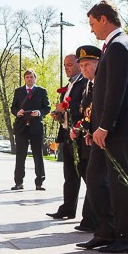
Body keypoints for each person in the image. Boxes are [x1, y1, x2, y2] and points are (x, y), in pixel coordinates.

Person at [78, 1, 128, 254]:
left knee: (121, 180)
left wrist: (104, 126)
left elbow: (115, 91)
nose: (92, 30)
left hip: (117, 127)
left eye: (93, 23)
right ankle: (106, 229)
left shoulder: (118, 46)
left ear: (104, 19)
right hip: (105, 128)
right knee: (95, 177)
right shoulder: (112, 47)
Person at [48, 54, 87, 219]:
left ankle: (92, 215)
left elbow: (84, 106)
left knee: (86, 174)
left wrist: (66, 108)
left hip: (79, 134)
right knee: (70, 175)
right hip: (66, 134)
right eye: (64, 65)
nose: (66, 68)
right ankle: (68, 208)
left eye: (70, 64)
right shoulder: (68, 85)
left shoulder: (84, 82)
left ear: (79, 65)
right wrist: (58, 115)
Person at [71, 45, 101, 231]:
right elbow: (86, 114)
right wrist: (80, 129)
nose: (84, 69)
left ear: (98, 63)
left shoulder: (101, 84)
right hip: (89, 138)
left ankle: (94, 220)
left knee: (97, 180)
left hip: (101, 138)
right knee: (92, 178)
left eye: (87, 64)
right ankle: (90, 220)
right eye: (81, 65)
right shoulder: (87, 86)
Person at [10, 70, 51, 190]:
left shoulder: (41, 91)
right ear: (24, 79)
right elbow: (13, 107)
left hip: (36, 127)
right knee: (20, 156)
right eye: (27, 77)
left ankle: (39, 182)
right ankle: (18, 182)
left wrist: (39, 113)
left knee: (38, 155)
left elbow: (47, 107)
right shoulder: (19, 91)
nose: (29, 79)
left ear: (35, 78)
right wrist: (17, 112)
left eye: (31, 77)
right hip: (21, 127)